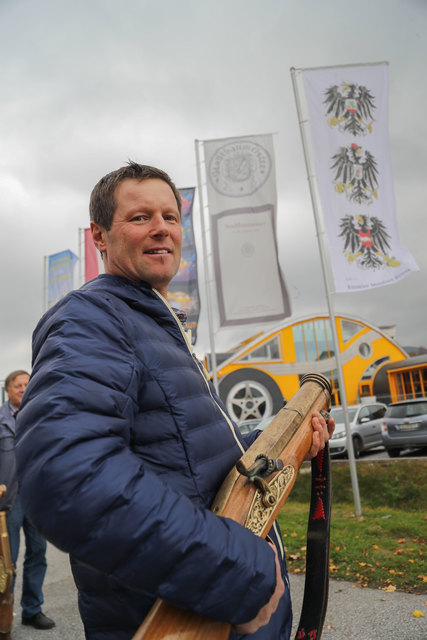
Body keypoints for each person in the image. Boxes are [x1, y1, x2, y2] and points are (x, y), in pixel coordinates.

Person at [15, 162, 334, 640]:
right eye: (140, 217)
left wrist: (285, 442)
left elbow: (186, 456)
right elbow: (67, 477)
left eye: (170, 216)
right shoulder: (93, 318)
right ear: (100, 237)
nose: (161, 228)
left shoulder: (155, 322)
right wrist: (236, 571)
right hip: (175, 617)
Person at [0, 370, 55, 630]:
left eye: (27, 384)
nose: (23, 388)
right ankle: (3, 612)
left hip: (37, 496)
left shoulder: (43, 414)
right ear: (8, 390)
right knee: (4, 563)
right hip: (7, 501)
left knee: (38, 554)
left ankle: (32, 610)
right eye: (18, 385)